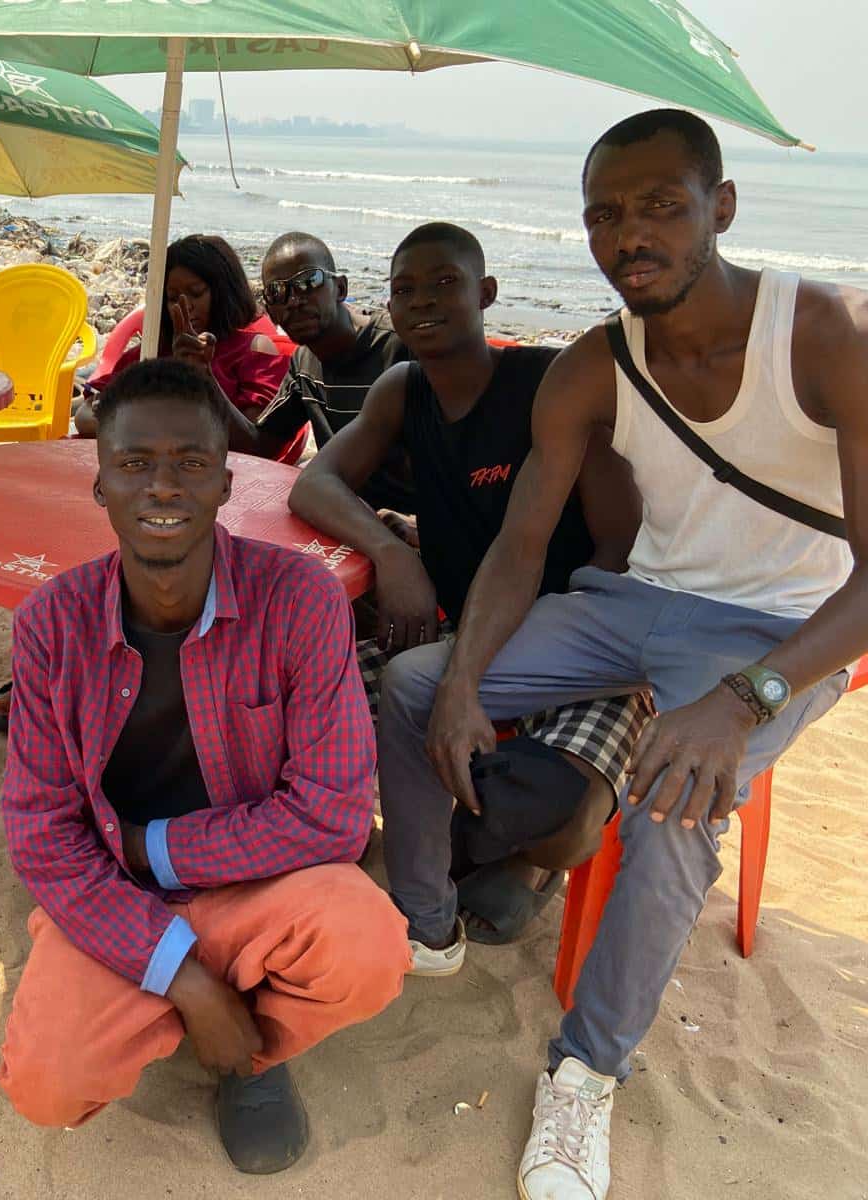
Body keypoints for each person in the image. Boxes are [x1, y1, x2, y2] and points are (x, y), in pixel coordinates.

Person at [384, 111, 867, 1200]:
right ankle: (425, 925)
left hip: (779, 631)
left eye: (659, 206)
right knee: (413, 683)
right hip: (634, 600)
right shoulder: (591, 368)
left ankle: (587, 1069)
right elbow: (521, 544)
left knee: (675, 795)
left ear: (721, 207)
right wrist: (463, 681)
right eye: (604, 214)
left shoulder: (830, 335)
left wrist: (743, 701)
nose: (628, 237)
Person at [0, 358, 410, 1174]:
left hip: (256, 883)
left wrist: (153, 847)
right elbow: (42, 837)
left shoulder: (302, 599)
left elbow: (334, 816)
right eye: (134, 463)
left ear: (226, 482)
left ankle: (251, 1056)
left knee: (368, 945)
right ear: (99, 483)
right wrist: (185, 979)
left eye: (190, 462)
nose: (162, 486)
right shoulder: (51, 622)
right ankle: (204, 1009)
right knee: (45, 1089)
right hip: (115, 890)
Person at [289, 221, 650, 946]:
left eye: (444, 283)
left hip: (578, 639)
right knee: (305, 707)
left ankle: (524, 860)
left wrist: (550, 643)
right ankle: (460, 845)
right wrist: (395, 556)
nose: (422, 300)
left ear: (486, 293)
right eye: (404, 289)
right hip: (461, 628)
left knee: (554, 811)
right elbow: (314, 483)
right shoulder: (404, 390)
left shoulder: (547, 384)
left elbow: (620, 541)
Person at [76, 235, 291, 454]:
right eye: (172, 297)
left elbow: (255, 443)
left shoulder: (254, 351)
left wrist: (202, 378)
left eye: (196, 293)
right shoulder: (149, 353)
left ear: (224, 292)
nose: (184, 305)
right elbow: (85, 416)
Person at [258, 232, 413, 510]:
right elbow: (261, 444)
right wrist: (203, 375)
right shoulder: (304, 364)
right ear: (270, 310)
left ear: (340, 288)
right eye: (277, 292)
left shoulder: (399, 347)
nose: (293, 301)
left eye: (308, 282)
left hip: (413, 518)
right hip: (349, 514)